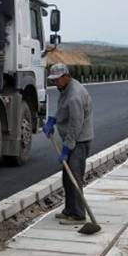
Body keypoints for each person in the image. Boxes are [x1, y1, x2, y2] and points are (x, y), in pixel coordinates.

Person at [42, 63, 94, 222]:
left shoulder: (75, 95)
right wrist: (53, 119)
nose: (54, 83)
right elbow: (63, 109)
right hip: (73, 140)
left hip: (79, 141)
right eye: (53, 80)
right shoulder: (65, 89)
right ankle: (69, 209)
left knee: (74, 177)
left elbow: (76, 125)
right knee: (67, 177)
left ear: (66, 76)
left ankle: (78, 214)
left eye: (57, 79)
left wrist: (67, 147)